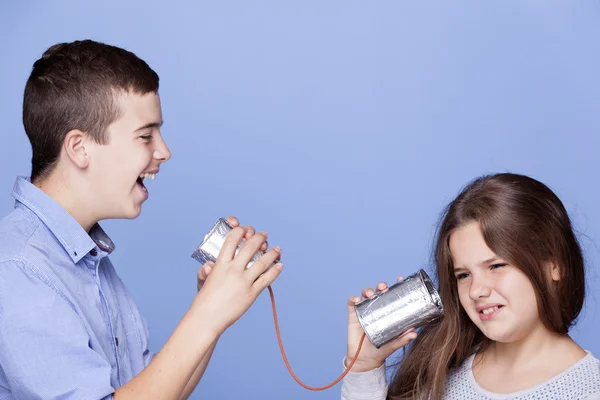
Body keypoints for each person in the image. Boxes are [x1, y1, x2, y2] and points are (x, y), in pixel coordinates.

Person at [0, 39, 284, 400]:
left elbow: (157, 392)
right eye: (146, 136)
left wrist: (212, 310)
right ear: (79, 147)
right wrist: (207, 315)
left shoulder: (91, 264)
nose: (164, 151)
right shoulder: (17, 269)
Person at [341, 173, 600, 400]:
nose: (476, 290)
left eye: (496, 266)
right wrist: (364, 367)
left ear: (554, 265)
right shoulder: (439, 367)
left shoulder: (589, 390)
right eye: (463, 275)